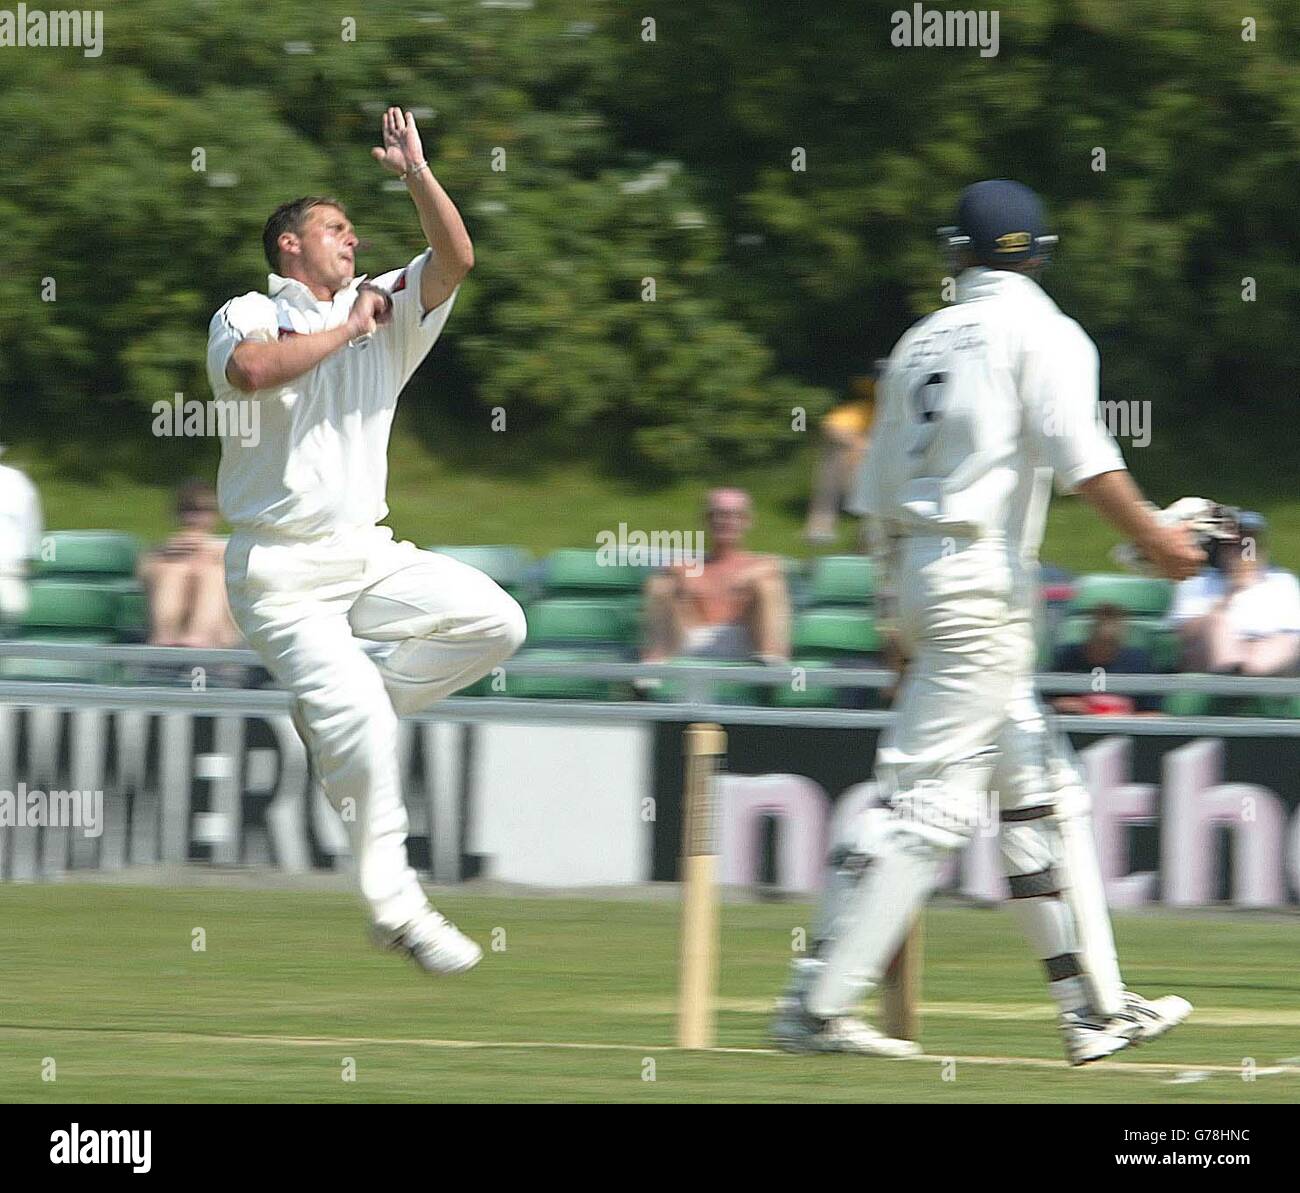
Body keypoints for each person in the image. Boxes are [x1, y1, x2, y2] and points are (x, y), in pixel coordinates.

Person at [771, 180, 1204, 1065]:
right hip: (981, 591)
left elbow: (875, 501)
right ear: (1040, 253)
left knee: (1044, 794)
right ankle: (815, 1004)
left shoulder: (917, 342)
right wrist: (1161, 542)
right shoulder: (1043, 331)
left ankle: (1096, 1008)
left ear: (954, 252)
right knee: (924, 803)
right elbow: (1085, 463)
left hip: (929, 585)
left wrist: (895, 614)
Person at [206, 108, 525, 977]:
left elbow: (457, 259)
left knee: (496, 624)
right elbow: (256, 372)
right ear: (289, 249)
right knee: (360, 724)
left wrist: (418, 173)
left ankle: (356, 718)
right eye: (333, 230)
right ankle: (397, 908)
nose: (351, 242)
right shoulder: (246, 313)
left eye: (353, 231)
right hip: (279, 572)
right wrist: (350, 327)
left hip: (368, 551)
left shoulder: (384, 304)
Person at [641, 488, 790, 666]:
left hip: (745, 640)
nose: (725, 522)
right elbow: (670, 572)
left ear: (746, 521)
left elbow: (772, 567)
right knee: (661, 586)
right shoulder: (688, 567)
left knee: (768, 586)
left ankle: (771, 659)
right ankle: (654, 664)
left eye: (734, 515)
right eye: (718, 515)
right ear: (707, 521)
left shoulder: (763, 565)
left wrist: (744, 578)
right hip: (694, 637)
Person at [1169, 512, 1300, 678]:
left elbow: (1293, 631)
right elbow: (1185, 633)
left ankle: (1246, 677)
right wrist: (1229, 593)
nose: (1242, 550)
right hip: (1209, 656)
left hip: (1269, 654)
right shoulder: (1196, 580)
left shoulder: (1282, 581)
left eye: (1248, 542)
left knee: (1284, 641)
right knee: (1217, 623)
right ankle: (1234, 677)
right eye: (1233, 543)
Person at [138, 480, 242, 648]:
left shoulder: (226, 548)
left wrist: (213, 553)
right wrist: (162, 554)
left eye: (203, 510)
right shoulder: (163, 552)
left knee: (212, 574)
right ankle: (165, 637)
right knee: (171, 570)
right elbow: (141, 575)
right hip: (167, 639)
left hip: (219, 639)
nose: (194, 517)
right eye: (187, 509)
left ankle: (198, 636)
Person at [803, 374, 878, 547]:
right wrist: (864, 445)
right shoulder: (863, 410)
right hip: (856, 472)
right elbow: (831, 428)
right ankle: (821, 526)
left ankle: (871, 536)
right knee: (835, 457)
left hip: (886, 474)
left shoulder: (906, 414)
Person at [1051, 602, 1159, 715]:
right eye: (1100, 643)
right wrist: (1063, 704)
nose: (1104, 649)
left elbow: (1154, 714)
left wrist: (1121, 716)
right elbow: (1046, 702)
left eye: (1110, 644)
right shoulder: (1068, 657)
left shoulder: (1139, 661)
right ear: (1090, 635)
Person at [0, 448, 42, 629]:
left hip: (10, 570)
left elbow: (32, 530)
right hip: (12, 569)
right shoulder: (17, 481)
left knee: (16, 620)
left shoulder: (16, 482)